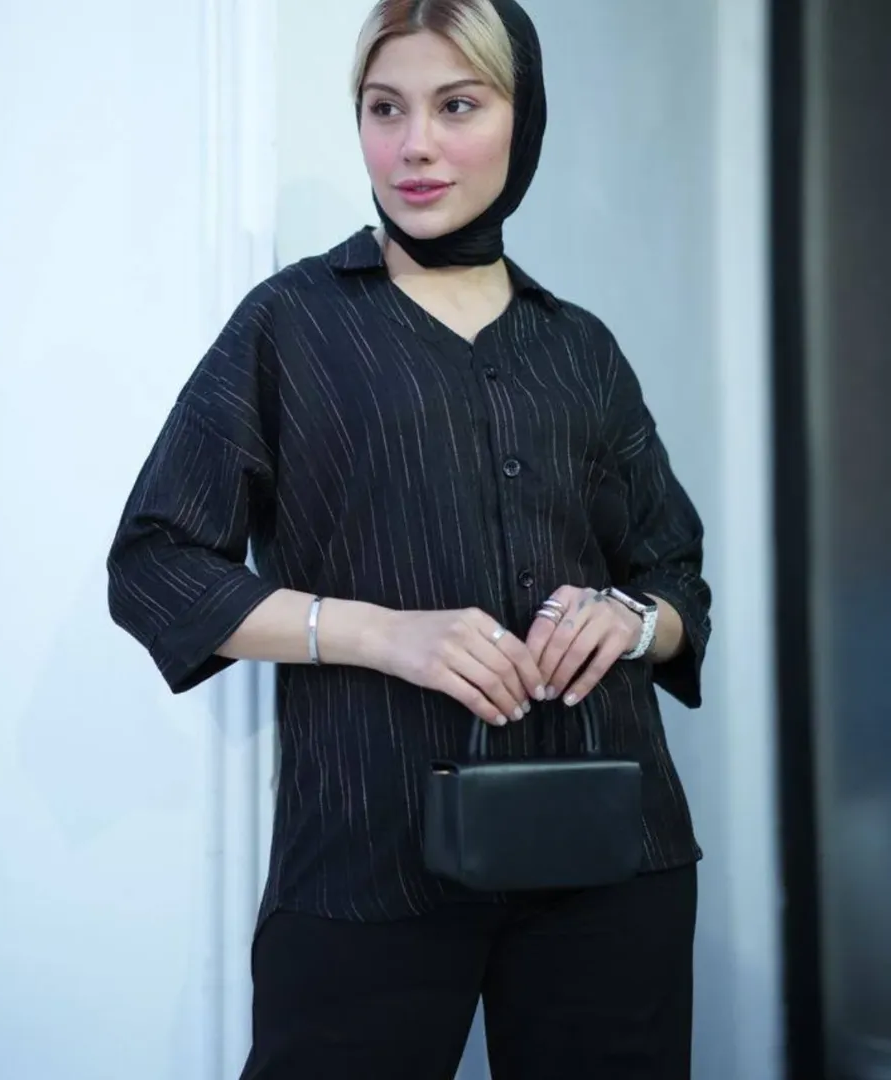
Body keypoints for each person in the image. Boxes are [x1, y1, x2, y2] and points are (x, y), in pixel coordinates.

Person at [107, 0, 712, 1076]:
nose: (414, 144)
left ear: (524, 119)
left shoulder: (581, 348)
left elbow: (675, 579)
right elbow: (157, 562)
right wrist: (382, 633)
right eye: (385, 108)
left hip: (609, 861)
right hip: (365, 859)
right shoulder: (291, 323)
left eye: (457, 106)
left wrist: (629, 621)